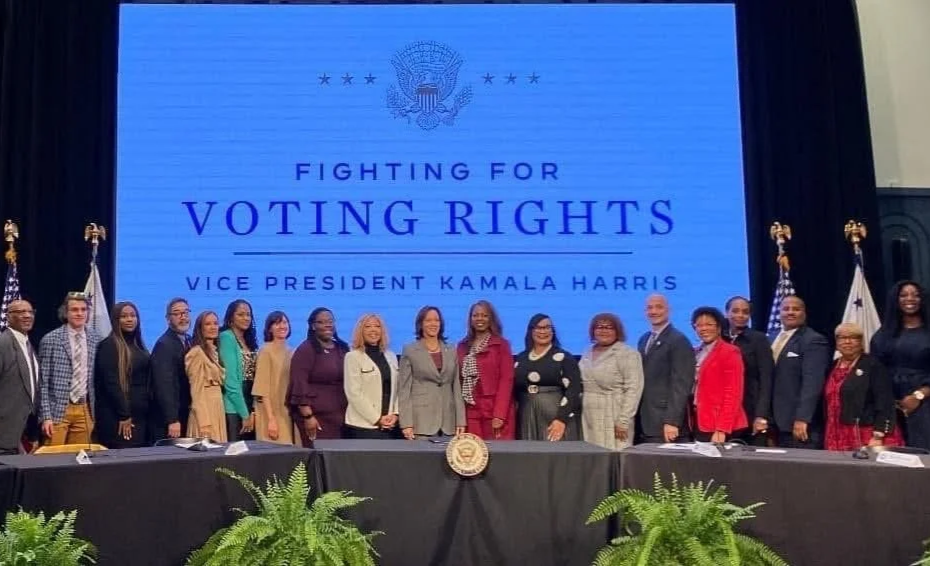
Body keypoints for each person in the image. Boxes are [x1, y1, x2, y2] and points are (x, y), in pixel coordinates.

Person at [871, 280, 930, 450]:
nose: (910, 299)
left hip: (924, 403)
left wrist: (919, 396)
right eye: (903, 295)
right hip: (891, 408)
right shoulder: (882, 335)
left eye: (915, 295)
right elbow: (876, 373)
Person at [825, 322, 902, 451]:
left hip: (867, 433)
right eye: (842, 338)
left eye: (853, 337)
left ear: (861, 342)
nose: (847, 342)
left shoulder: (873, 366)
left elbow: (885, 402)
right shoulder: (831, 366)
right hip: (836, 432)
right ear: (837, 342)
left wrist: (878, 435)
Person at [38, 292, 100, 446]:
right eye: (74, 310)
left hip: (85, 410)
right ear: (65, 312)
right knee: (52, 460)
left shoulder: (96, 339)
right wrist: (46, 416)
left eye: (83, 309)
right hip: (58, 410)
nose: (79, 313)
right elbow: (42, 382)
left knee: (79, 460)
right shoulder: (50, 339)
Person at [769, 296, 830, 449]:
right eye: (786, 309)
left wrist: (802, 418)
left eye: (796, 309)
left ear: (804, 313)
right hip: (773, 422)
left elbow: (813, 383)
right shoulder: (771, 337)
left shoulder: (814, 340)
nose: (790, 312)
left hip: (798, 423)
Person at [397, 306, 465, 439]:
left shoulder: (451, 350)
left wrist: (460, 420)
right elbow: (404, 390)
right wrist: (406, 423)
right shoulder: (410, 350)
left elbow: (456, 387)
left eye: (436, 320)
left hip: (448, 422)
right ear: (421, 324)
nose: (433, 324)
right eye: (428, 320)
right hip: (421, 421)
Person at [635, 294, 694, 443]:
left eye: (659, 307)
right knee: (650, 466)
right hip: (646, 419)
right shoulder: (643, 339)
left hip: (665, 421)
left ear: (668, 310)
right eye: (649, 308)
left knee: (664, 467)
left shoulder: (678, 340)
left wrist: (672, 421)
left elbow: (681, 384)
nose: (654, 311)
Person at [579, 313, 643, 450]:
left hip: (614, 414)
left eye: (609, 327)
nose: (603, 330)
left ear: (617, 331)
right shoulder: (587, 352)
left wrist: (623, 420)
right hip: (588, 415)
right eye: (599, 327)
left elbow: (634, 389)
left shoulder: (627, 353)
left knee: (615, 458)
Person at [514, 313, 582, 441]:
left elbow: (574, 390)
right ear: (531, 331)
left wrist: (561, 419)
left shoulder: (564, 357)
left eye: (547, 327)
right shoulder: (521, 358)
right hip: (527, 415)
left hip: (555, 415)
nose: (543, 331)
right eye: (539, 328)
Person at [287, 307, 349, 445]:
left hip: (341, 416)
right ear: (313, 326)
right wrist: (308, 416)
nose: (327, 325)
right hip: (317, 418)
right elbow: (299, 383)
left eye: (330, 321)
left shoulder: (342, 348)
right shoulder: (306, 350)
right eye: (322, 322)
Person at [456, 300, 516, 440]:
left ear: (491, 319)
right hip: (470, 410)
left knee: (498, 454)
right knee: (473, 455)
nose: (479, 319)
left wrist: (499, 414)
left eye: (484, 315)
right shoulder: (462, 346)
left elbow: (506, 380)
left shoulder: (501, 345)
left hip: (493, 409)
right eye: (475, 315)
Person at [94, 302, 150, 448]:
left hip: (140, 418)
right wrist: (124, 414)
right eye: (124, 316)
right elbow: (111, 383)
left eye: (133, 315)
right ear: (115, 320)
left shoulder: (138, 344)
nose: (130, 319)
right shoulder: (109, 345)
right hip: (120, 420)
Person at [691, 306, 747, 443]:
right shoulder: (695, 352)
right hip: (699, 421)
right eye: (699, 325)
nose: (703, 328)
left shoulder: (730, 352)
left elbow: (733, 392)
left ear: (719, 327)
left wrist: (722, 428)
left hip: (720, 425)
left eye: (709, 324)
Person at [723, 296, 774, 445]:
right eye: (735, 311)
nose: (740, 315)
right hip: (726, 412)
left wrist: (761, 415)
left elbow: (766, 379)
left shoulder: (758, 339)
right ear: (726, 313)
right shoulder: (721, 338)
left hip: (751, 410)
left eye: (745, 312)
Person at [343, 314, 400, 439]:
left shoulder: (391, 356)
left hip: (389, 425)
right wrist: (377, 419)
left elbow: (398, 389)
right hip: (362, 426)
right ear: (361, 331)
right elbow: (353, 393)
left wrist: (395, 414)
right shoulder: (352, 357)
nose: (373, 330)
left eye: (377, 326)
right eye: (368, 326)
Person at [149, 297, 192, 442]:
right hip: (172, 420)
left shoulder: (190, 340)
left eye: (186, 313)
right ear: (168, 319)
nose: (183, 317)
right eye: (177, 313)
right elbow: (164, 385)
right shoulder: (164, 344)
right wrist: (172, 419)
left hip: (186, 413)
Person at [0, 300, 40, 454]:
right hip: (4, 430)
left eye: (30, 312)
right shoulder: (3, 343)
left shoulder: (27, 344)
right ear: (8, 316)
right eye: (21, 312)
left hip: (22, 432)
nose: (27, 316)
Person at [252, 311, 294, 445]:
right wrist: (271, 419)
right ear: (269, 328)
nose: (282, 326)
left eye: (285, 322)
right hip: (271, 413)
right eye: (277, 323)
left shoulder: (291, 352)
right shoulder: (266, 351)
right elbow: (262, 388)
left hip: (287, 412)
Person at [218, 300, 257, 441]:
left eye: (248, 314)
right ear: (231, 318)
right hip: (234, 407)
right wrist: (244, 414)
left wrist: (252, 410)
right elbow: (231, 381)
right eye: (240, 314)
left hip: (249, 401)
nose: (246, 318)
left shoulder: (248, 340)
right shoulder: (226, 337)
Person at [185, 311, 227, 442]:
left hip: (217, 408)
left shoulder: (214, 351)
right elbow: (196, 391)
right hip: (205, 412)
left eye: (215, 323)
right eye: (208, 324)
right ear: (200, 328)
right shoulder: (196, 353)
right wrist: (204, 424)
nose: (213, 327)